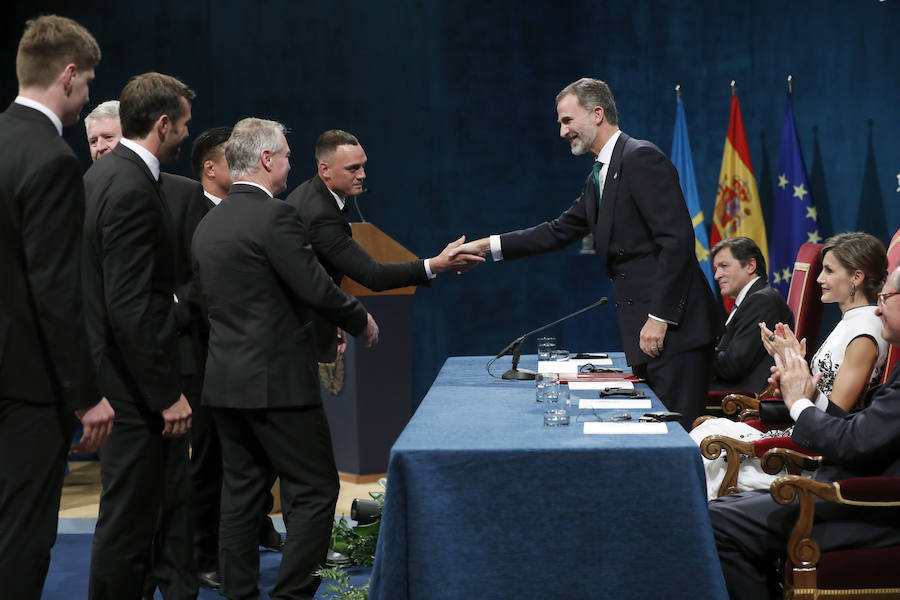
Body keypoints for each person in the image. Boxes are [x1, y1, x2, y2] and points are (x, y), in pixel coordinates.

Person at [450, 78, 721, 427]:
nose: (562, 132)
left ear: (597, 114)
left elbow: (677, 241)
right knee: (656, 438)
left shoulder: (640, 158)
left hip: (674, 331)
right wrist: (486, 246)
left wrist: (660, 317)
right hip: (646, 332)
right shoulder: (600, 174)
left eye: (567, 120)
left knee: (674, 439)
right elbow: (558, 231)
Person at [192, 117, 379, 599]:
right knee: (317, 490)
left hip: (225, 384)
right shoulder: (275, 217)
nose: (291, 166)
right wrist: (358, 318)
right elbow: (313, 284)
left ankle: (240, 595)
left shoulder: (209, 223)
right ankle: (291, 595)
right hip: (278, 384)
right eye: (288, 157)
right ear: (267, 159)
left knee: (241, 495)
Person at [0, 15, 114, 600]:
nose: (88, 94)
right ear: (68, 76)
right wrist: (86, 393)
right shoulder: (51, 158)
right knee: (22, 535)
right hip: (27, 388)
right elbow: (55, 291)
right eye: (89, 81)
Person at [709, 265, 900, 600]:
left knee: (713, 524)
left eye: (886, 297)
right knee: (717, 510)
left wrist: (799, 402)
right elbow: (863, 432)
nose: (879, 307)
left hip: (871, 510)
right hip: (847, 493)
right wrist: (807, 394)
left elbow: (853, 443)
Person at [82, 72, 197, 600]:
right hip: (134, 391)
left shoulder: (105, 177)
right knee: (128, 525)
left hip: (122, 381)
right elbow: (128, 306)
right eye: (184, 125)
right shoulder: (129, 184)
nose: (185, 135)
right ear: (163, 123)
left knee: (148, 510)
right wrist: (165, 395)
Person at [692, 232, 889, 499]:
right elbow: (820, 394)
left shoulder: (865, 331)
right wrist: (790, 366)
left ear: (856, 277)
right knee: (705, 432)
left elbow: (836, 417)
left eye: (829, 271)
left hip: (808, 455)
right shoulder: (851, 321)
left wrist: (795, 379)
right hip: (800, 431)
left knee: (704, 450)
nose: (819, 279)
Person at [284, 129, 483, 361]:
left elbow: (316, 270)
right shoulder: (320, 214)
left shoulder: (310, 193)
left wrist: (333, 314)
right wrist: (437, 264)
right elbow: (373, 275)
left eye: (363, 166)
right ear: (324, 169)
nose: (362, 175)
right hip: (296, 338)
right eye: (353, 168)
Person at [188, 126, 285, 590]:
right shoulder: (193, 215)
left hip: (247, 363)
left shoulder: (250, 214)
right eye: (233, 158)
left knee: (249, 465)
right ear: (211, 168)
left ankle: (258, 531)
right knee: (211, 465)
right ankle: (205, 553)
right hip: (207, 360)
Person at [708, 237, 794, 391]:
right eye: (716, 269)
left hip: (742, 400)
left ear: (750, 266)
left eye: (724, 266)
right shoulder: (753, 300)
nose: (717, 276)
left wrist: (696, 349)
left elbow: (731, 366)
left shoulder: (761, 301)